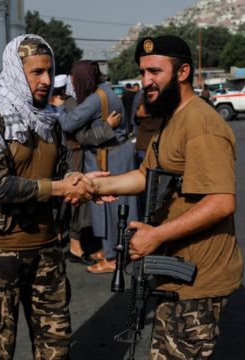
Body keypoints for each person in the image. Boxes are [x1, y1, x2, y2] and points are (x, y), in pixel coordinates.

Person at [90, 35, 243, 359]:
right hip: (175, 272)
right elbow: (146, 175)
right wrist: (95, 187)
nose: (146, 81)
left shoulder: (202, 125)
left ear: (183, 72)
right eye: (143, 72)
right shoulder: (173, 118)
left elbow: (221, 201)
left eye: (155, 71)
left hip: (198, 279)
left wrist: (156, 235)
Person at [0, 34, 93, 359]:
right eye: (37, 72)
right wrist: (57, 188)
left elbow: (59, 173)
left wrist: (79, 183)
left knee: (56, 346)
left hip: (47, 250)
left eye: (49, 71)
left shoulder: (50, 120)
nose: (46, 80)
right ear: (15, 70)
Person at [57, 60, 138, 274]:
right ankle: (110, 249)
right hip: (113, 154)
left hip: (109, 157)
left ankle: (113, 258)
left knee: (109, 207)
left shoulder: (94, 99)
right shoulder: (104, 91)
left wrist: (59, 108)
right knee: (110, 207)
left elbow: (67, 124)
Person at [53, 73, 121, 266]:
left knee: (61, 202)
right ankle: (75, 247)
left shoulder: (51, 106)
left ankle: (61, 241)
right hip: (73, 157)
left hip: (61, 157)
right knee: (75, 202)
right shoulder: (71, 104)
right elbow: (83, 137)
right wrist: (107, 127)